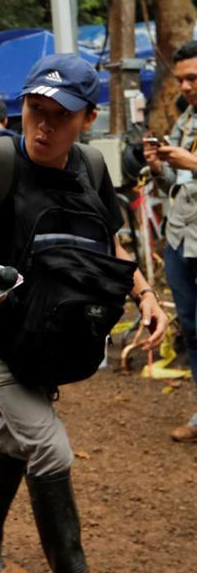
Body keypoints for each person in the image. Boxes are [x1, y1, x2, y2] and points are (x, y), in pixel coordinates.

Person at [0, 54, 166, 572]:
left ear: (87, 118)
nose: (45, 124)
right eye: (36, 109)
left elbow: (112, 244)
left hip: (56, 336)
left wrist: (145, 295)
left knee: (15, 435)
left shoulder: (92, 167)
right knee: (51, 449)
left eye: (61, 114)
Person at [145, 39, 197, 448]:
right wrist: (160, 166)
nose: (185, 87)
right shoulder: (187, 120)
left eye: (193, 78)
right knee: (192, 328)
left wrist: (192, 162)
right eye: (181, 79)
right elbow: (175, 184)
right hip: (181, 238)